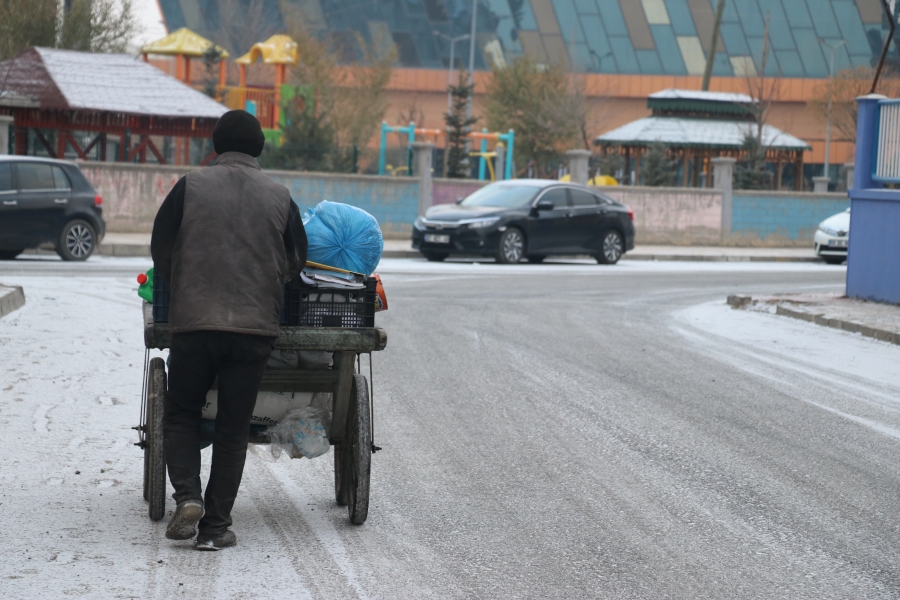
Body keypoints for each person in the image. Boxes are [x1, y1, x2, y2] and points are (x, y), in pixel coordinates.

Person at [151, 110, 307, 550]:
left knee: (181, 414)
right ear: (258, 148)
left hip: (195, 323)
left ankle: (188, 497)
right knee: (233, 427)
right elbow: (296, 261)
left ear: (216, 146)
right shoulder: (280, 196)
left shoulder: (190, 186)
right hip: (254, 330)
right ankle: (216, 528)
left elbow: (161, 247)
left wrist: (181, 283)